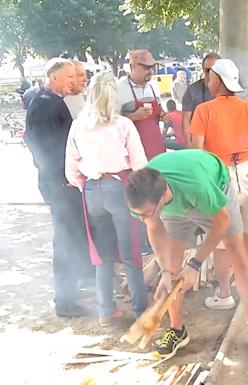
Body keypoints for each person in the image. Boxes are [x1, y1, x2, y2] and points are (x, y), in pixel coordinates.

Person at [124, 150, 248, 365]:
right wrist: (165, 271)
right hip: (174, 209)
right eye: (140, 214)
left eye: (147, 213)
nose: (143, 218)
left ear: (163, 196)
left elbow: (222, 223)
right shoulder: (142, 199)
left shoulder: (198, 186)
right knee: (173, 268)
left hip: (215, 187)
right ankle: (177, 331)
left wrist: (195, 264)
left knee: (238, 256)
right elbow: (153, 227)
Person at [188, 58, 248, 310]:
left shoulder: (203, 110)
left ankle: (224, 295)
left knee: (222, 241)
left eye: (210, 76)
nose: (208, 80)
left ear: (218, 81)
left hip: (219, 176)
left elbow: (197, 153)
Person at [65, 73, 148, 326]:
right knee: (130, 253)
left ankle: (105, 310)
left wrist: (86, 186)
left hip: (92, 190)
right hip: (119, 187)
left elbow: (71, 167)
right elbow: (140, 164)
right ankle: (141, 309)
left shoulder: (79, 124)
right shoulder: (123, 124)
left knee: (102, 256)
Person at [24, 58, 90, 317]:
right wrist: (62, 177)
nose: (74, 82)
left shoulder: (48, 101)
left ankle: (73, 286)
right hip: (59, 183)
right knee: (66, 239)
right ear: (53, 78)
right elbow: (41, 146)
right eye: (69, 77)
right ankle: (65, 300)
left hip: (61, 180)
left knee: (72, 235)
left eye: (75, 77)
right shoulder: (45, 105)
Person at [117, 49, 166, 160]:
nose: (151, 72)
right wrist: (134, 117)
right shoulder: (119, 89)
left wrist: (163, 115)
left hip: (156, 147)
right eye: (146, 68)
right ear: (132, 66)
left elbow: (159, 109)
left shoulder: (154, 85)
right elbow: (111, 122)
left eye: (152, 67)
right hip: (133, 152)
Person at [182, 53, 220, 146]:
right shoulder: (192, 90)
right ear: (203, 70)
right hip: (200, 142)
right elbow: (186, 120)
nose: (211, 73)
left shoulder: (226, 90)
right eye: (208, 70)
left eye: (215, 70)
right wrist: (189, 147)